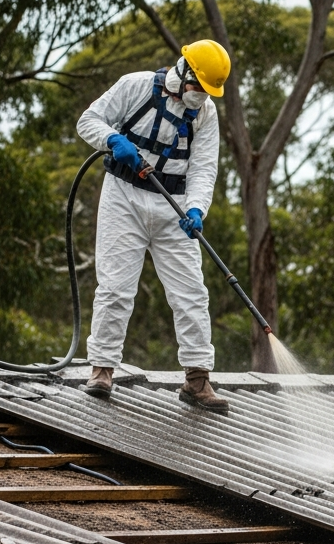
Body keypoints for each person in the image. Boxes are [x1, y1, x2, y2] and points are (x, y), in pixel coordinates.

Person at [76, 40, 231, 412]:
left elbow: (204, 167)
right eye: (200, 88)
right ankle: (102, 370)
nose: (202, 98)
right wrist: (113, 139)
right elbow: (88, 121)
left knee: (192, 293)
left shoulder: (206, 114)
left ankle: (197, 379)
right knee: (115, 287)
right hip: (124, 196)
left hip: (173, 206)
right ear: (184, 73)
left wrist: (196, 210)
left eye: (209, 93)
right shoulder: (136, 85)